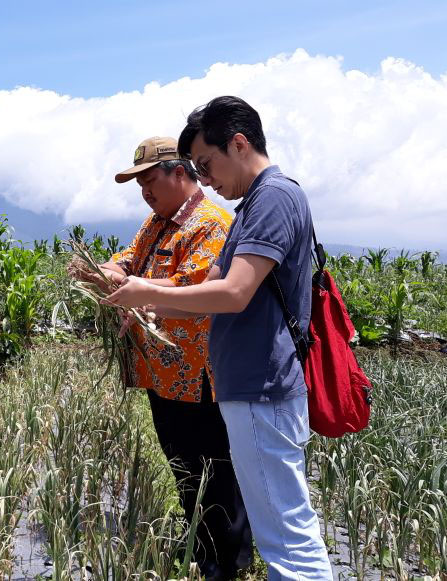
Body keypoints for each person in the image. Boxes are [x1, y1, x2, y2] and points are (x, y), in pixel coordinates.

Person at [104, 97, 334, 580]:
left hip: (259, 385)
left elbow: (232, 292)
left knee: (284, 533)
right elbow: (210, 282)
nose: (207, 178)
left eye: (207, 165)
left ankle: (224, 565)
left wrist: (146, 292)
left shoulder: (272, 197)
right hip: (244, 384)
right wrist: (141, 299)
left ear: (239, 142)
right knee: (277, 527)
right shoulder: (253, 203)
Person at [70, 136, 251, 579]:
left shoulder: (211, 225)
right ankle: (198, 546)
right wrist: (107, 272)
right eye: (140, 185)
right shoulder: (157, 223)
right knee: (183, 464)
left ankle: (227, 562)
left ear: (180, 172)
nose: (145, 192)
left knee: (216, 473)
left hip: (199, 374)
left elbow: (196, 289)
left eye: (150, 180)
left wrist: (142, 291)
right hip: (161, 373)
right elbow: (129, 261)